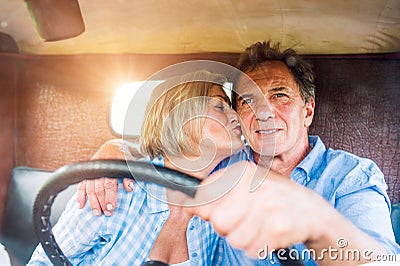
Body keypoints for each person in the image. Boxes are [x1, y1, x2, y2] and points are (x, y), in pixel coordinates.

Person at [78, 41, 400, 265]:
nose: (264, 112)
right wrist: (115, 149)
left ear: (308, 110)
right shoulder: (223, 165)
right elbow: (174, 151)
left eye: (279, 95)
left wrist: (318, 223)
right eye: (248, 100)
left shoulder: (351, 175)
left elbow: (382, 261)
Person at [28, 70, 253, 265]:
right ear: (181, 118)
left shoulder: (230, 182)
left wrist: (115, 145)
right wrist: (113, 149)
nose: (236, 116)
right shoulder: (115, 191)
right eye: (219, 106)